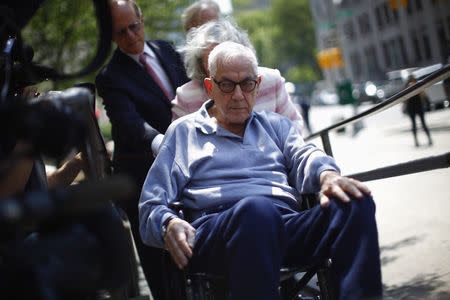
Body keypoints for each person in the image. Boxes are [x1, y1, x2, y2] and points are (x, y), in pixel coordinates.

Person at [139, 42, 382, 300]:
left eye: (246, 84)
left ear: (258, 84)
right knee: (256, 211)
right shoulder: (183, 133)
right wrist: (168, 223)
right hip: (220, 233)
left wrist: (327, 175)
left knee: (355, 201)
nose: (238, 95)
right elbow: (150, 206)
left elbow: (303, 155)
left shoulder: (276, 126)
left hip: (284, 226)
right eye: (227, 85)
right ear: (210, 87)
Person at [95, 0, 189, 299]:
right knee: (160, 266)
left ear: (142, 20)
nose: (131, 36)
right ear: (110, 35)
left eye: (134, 27)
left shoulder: (168, 50)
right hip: (145, 178)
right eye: (120, 32)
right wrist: (163, 142)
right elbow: (129, 124)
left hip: (190, 166)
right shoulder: (110, 77)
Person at [172, 19, 304, 132]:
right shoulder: (186, 97)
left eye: (230, 57)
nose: (238, 95)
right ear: (200, 64)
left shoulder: (272, 80)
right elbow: (180, 148)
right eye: (212, 61)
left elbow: (294, 127)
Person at [403, 75, 433, 147]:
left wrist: (405, 108)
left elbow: (405, 100)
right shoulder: (417, 86)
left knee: (417, 125)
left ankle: (419, 141)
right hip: (416, 108)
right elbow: (424, 95)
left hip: (414, 108)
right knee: (420, 124)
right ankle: (423, 140)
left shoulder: (408, 88)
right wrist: (428, 103)